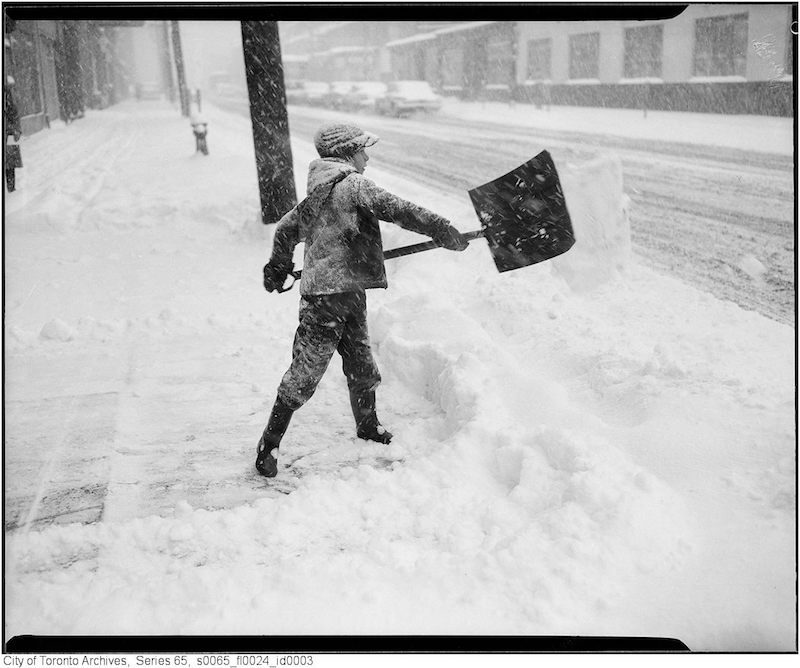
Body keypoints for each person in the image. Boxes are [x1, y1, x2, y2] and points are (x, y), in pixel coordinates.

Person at [256, 122, 468, 477]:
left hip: (349, 291)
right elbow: (399, 208)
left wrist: (278, 267)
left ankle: (367, 424)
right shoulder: (352, 186)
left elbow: (285, 229)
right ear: (346, 153)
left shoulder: (318, 193)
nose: (366, 157)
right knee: (305, 374)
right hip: (325, 299)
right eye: (361, 150)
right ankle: (269, 443)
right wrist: (442, 228)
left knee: (361, 364)